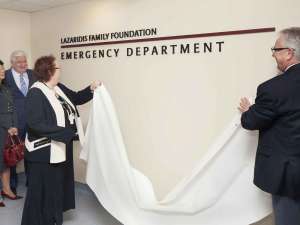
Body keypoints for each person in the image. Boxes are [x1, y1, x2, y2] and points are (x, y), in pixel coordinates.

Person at [21, 55, 100, 225]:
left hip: (58, 149)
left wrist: (92, 89)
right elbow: (35, 124)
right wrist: (67, 133)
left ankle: (52, 219)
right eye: (58, 68)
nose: (60, 71)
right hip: (42, 154)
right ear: (49, 71)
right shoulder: (36, 92)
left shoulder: (58, 88)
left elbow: (77, 97)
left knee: (54, 190)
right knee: (41, 193)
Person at [238, 27, 300, 225]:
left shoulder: (272, 89)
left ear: (289, 53)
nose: (273, 54)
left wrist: (249, 110)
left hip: (288, 177)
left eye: (276, 49)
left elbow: (250, 121)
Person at [4, 50, 35, 195]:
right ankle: (12, 184)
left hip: (33, 121)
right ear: (12, 63)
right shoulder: (5, 76)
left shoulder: (33, 74)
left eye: (25, 61)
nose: (23, 64)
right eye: (19, 62)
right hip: (14, 123)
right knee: (12, 153)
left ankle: (32, 180)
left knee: (32, 151)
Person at [0, 60, 22, 207]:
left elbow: (13, 109)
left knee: (6, 162)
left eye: (2, 69)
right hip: (1, 129)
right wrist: (8, 126)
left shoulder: (6, 89)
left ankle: (7, 190)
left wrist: (14, 126)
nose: (2, 71)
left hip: (8, 131)